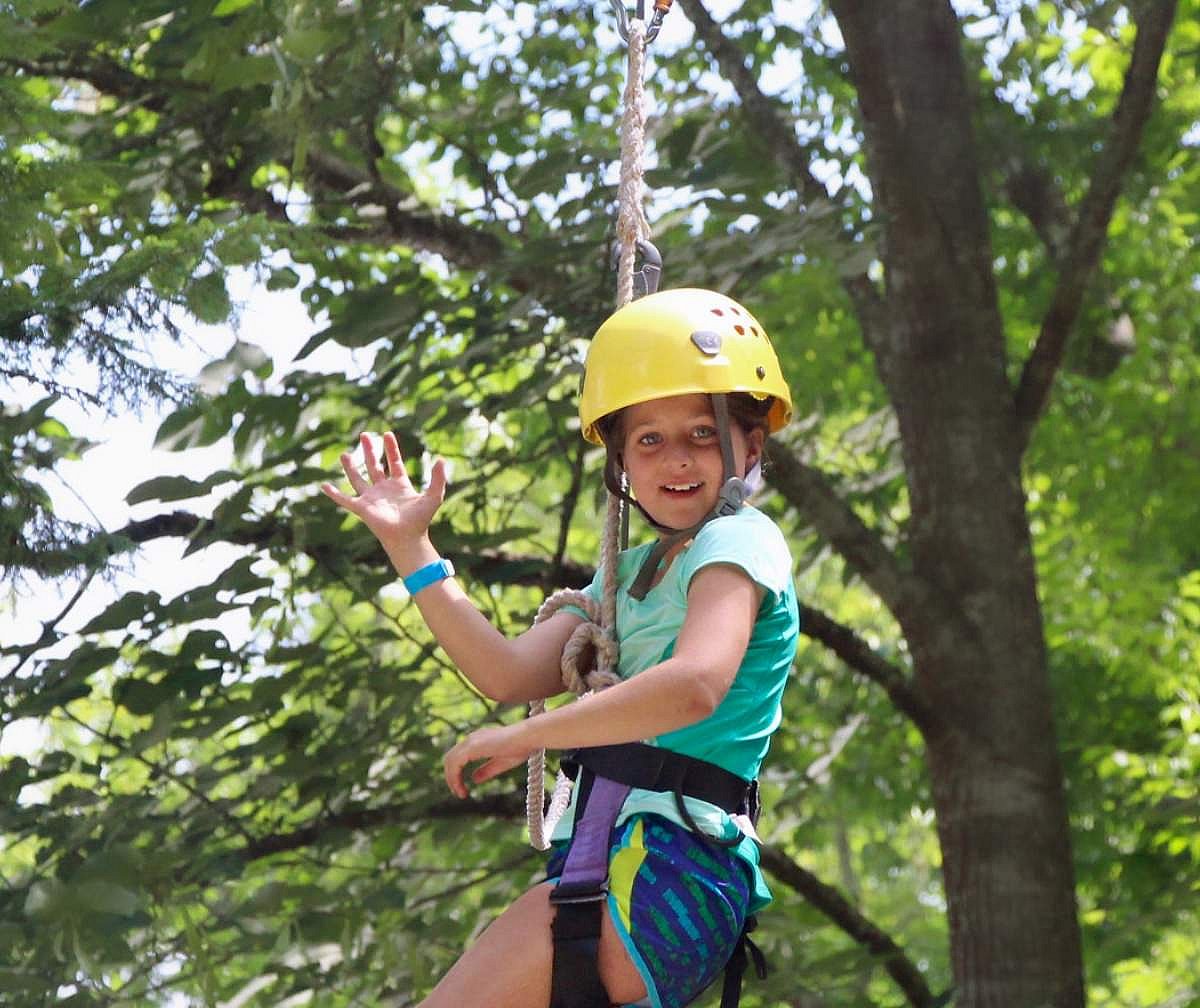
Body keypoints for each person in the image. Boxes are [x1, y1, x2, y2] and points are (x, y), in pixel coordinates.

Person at [321, 288, 800, 1008]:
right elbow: (506, 673)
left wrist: (531, 736)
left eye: (703, 434)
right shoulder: (625, 574)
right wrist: (411, 547)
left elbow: (695, 682)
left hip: (670, 871)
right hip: (608, 866)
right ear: (620, 463)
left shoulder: (741, 540)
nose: (677, 458)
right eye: (649, 440)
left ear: (750, 446)